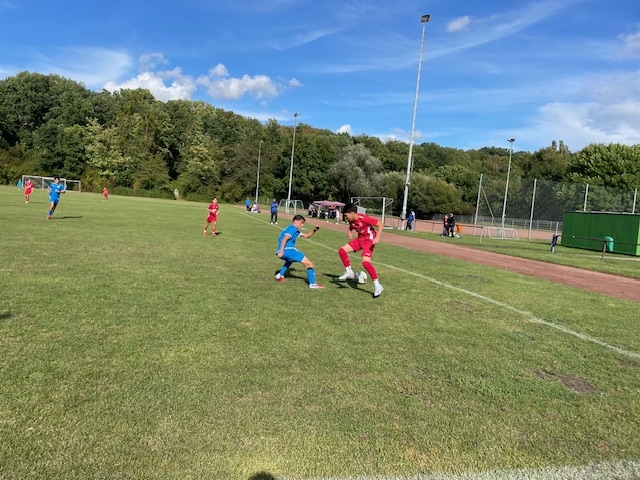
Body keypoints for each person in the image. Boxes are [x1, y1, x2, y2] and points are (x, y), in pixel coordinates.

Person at [337, 203, 384, 298]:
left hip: (369, 240)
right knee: (342, 251)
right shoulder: (351, 220)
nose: (345, 217)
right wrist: (349, 231)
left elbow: (380, 224)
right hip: (360, 239)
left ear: (352, 213)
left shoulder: (363, 218)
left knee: (365, 263)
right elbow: (352, 225)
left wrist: (377, 237)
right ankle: (349, 272)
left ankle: (378, 286)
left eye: (346, 215)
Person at [275, 215, 324, 289]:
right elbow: (285, 238)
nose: (302, 225)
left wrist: (314, 230)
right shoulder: (293, 229)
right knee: (309, 264)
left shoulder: (291, 229)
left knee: (289, 261)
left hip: (282, 251)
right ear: (297, 221)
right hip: (288, 250)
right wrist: (281, 252)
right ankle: (313, 284)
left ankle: (279, 275)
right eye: (302, 222)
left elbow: (306, 236)